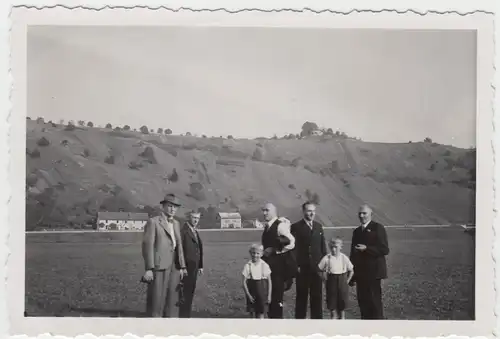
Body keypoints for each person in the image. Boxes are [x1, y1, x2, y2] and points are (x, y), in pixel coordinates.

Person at [141, 193, 187, 317]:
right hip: (159, 265)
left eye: (175, 207)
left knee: (173, 298)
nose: (173, 209)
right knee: (157, 299)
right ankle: (155, 326)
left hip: (175, 266)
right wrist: (149, 269)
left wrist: (182, 266)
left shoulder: (176, 223)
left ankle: (170, 326)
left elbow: (179, 245)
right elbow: (147, 246)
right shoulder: (154, 222)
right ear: (163, 206)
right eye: (170, 206)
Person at [349, 204, 390, 320]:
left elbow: (384, 249)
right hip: (361, 274)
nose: (361, 216)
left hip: (374, 273)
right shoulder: (356, 232)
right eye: (360, 214)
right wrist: (352, 275)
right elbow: (353, 254)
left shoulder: (378, 228)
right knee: (363, 304)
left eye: (364, 213)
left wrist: (367, 248)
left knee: (375, 304)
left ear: (371, 214)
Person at [291, 201, 327, 319]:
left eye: (313, 211)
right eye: (309, 211)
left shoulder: (318, 226)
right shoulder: (296, 227)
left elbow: (322, 248)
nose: (311, 213)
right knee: (301, 297)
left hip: (317, 269)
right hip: (303, 269)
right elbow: (293, 249)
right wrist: (296, 266)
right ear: (304, 211)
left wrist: (324, 265)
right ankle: (300, 325)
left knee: (317, 297)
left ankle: (317, 324)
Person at [260, 203, 296, 319]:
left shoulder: (280, 226)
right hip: (269, 267)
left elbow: (291, 242)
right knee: (271, 296)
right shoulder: (267, 226)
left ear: (274, 212)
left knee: (276, 297)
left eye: (267, 210)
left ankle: (277, 325)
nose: (264, 213)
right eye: (263, 210)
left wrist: (275, 250)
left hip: (279, 268)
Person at [318, 237, 354, 319]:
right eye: (332, 247)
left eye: (336, 247)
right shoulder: (327, 258)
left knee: (342, 307)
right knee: (332, 307)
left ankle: (342, 323)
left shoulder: (344, 258)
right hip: (331, 282)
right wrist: (325, 280)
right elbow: (319, 270)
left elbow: (351, 270)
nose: (334, 250)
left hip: (342, 281)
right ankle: (333, 324)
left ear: (341, 247)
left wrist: (347, 281)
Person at [178, 211, 204, 318]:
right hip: (186, 269)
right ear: (189, 217)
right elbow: (180, 251)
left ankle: (186, 315)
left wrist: (200, 266)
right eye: (194, 217)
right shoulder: (184, 231)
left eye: (198, 218)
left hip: (194, 268)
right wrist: (181, 267)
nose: (196, 220)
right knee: (185, 294)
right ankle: (183, 316)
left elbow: (199, 249)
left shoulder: (195, 231)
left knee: (190, 293)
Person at [242, 243, 272, 318]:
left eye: (258, 253)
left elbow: (269, 282)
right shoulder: (248, 265)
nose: (255, 255)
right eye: (253, 253)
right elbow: (244, 282)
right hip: (252, 294)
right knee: (252, 312)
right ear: (250, 253)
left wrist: (269, 295)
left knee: (261, 313)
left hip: (262, 294)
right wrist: (248, 295)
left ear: (262, 254)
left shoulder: (264, 265)